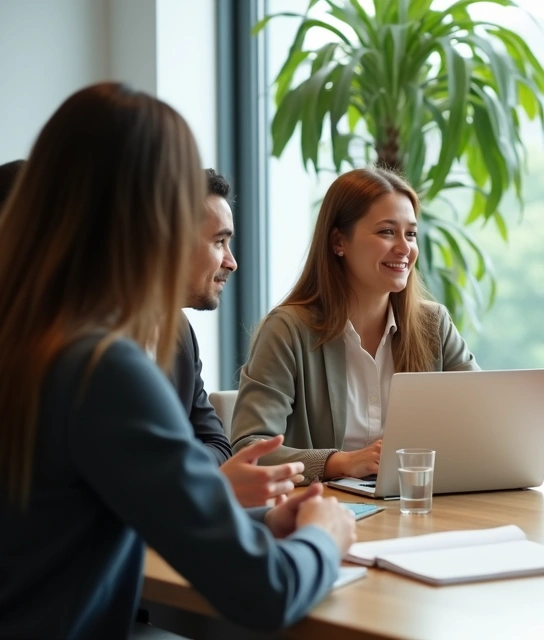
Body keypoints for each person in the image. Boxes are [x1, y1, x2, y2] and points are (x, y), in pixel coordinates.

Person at [0, 83, 356, 637]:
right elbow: (265, 593)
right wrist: (324, 534)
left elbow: (91, 513)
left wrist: (258, 523)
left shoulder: (30, 340)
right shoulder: (101, 369)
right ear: (153, 217)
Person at [230, 167, 478, 483]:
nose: (404, 248)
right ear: (338, 242)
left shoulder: (434, 325)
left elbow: (480, 427)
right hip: (320, 512)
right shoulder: (288, 330)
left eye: (411, 234)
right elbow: (251, 450)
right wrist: (342, 462)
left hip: (417, 504)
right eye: (387, 232)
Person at [175, 169, 303, 506]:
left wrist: (178, 470)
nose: (232, 262)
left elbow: (219, 446)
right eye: (219, 242)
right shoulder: (102, 346)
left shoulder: (179, 332)